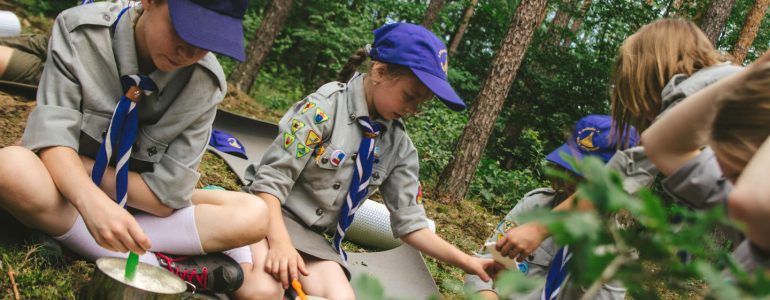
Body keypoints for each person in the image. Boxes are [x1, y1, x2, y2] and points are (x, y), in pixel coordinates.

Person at [0, 0, 270, 295]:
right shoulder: (80, 34)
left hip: (137, 208)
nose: (189, 53)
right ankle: (159, 264)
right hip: (66, 194)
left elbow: (165, 198)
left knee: (254, 213)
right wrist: (89, 200)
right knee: (10, 166)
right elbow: (52, 137)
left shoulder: (205, 83)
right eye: (184, 32)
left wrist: (75, 165)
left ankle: (80, 242)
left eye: (207, 42)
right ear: (150, 2)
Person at [242, 22, 500, 299]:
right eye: (410, 97)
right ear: (379, 72)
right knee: (262, 291)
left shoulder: (399, 148)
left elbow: (410, 224)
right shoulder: (323, 108)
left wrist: (469, 262)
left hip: (313, 239)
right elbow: (270, 181)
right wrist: (280, 244)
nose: (412, 109)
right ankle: (220, 254)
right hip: (267, 216)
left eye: (422, 104)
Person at [493, 18, 743, 296]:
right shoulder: (734, 88)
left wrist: (540, 227)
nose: (645, 119)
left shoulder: (691, 94)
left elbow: (621, 175)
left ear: (650, 73)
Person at [465, 115, 636, 300]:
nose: (569, 179)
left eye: (585, 176)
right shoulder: (536, 205)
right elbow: (483, 265)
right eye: (568, 167)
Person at [641, 55, 770, 276]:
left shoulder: (755, 217)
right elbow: (663, 145)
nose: (732, 189)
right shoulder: (753, 234)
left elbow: (750, 201)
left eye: (741, 174)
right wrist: (758, 69)